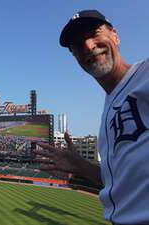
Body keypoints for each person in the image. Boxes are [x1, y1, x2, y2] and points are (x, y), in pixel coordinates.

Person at [35, 9, 149, 225]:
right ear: (75, 56)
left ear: (115, 35)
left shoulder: (144, 74)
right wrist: (80, 166)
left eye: (95, 33)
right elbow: (122, 181)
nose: (88, 45)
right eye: (78, 44)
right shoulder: (107, 112)